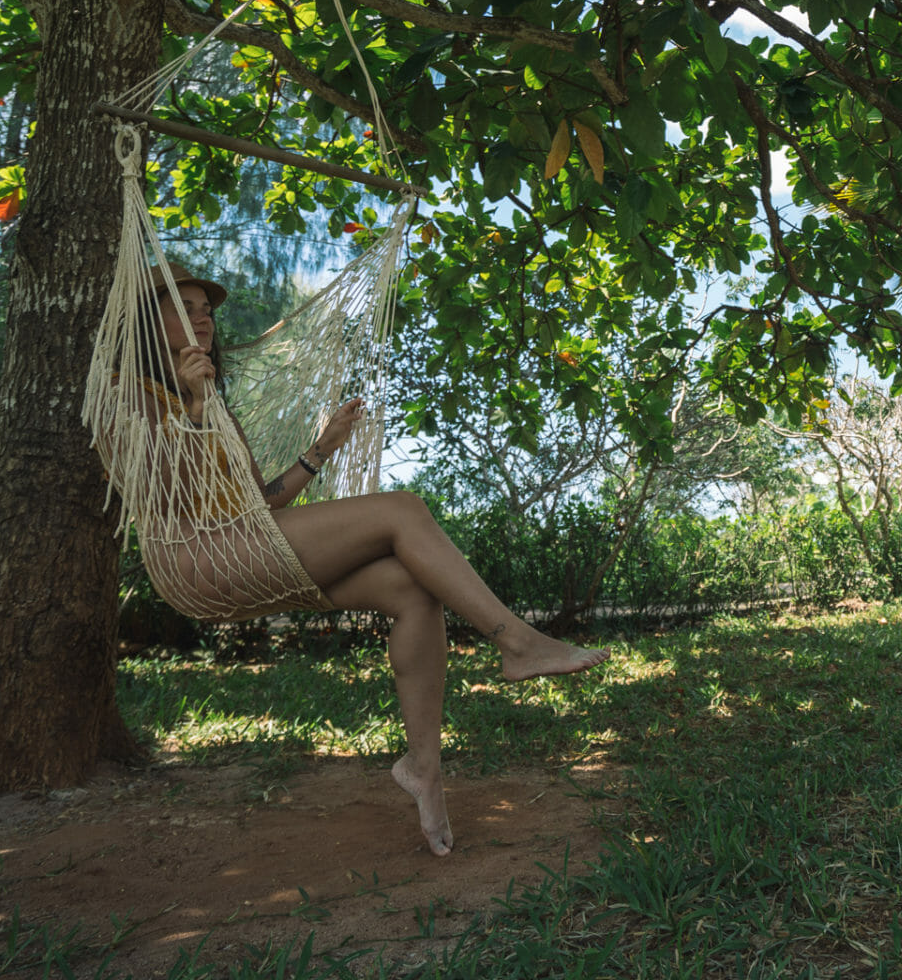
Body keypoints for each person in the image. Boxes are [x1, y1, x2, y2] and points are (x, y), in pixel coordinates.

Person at [140, 264, 608, 857]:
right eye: (184, 307)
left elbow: (260, 504)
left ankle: (424, 770)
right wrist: (196, 406)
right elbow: (162, 489)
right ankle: (517, 643)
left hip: (251, 548)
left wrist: (321, 449)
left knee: (412, 590)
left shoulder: (214, 401)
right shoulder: (128, 395)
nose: (203, 317)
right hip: (196, 559)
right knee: (401, 511)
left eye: (206, 307)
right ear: (149, 326)